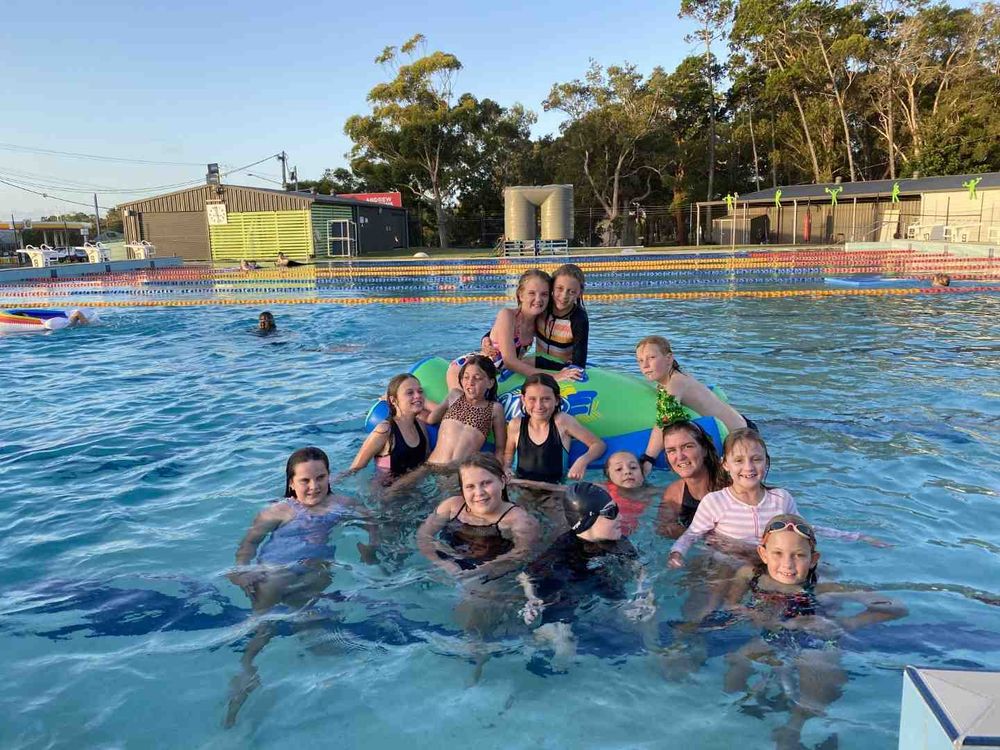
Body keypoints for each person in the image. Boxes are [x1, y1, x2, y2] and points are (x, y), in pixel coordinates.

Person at [721, 515, 906, 748]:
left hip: (816, 640)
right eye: (778, 553)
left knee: (816, 680)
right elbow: (731, 604)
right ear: (763, 554)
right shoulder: (751, 575)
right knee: (736, 665)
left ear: (813, 559)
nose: (787, 564)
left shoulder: (821, 586)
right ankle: (741, 714)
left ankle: (794, 729)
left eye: (798, 555)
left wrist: (847, 623)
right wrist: (754, 615)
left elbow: (896, 607)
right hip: (774, 635)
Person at [225, 447, 377, 726]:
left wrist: (369, 548)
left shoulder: (343, 504)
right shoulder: (278, 511)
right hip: (273, 573)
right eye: (304, 481)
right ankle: (247, 673)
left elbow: (372, 523)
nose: (314, 486)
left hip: (312, 573)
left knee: (312, 626)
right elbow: (248, 545)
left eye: (320, 477)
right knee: (264, 621)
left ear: (329, 476)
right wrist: (243, 571)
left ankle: (324, 688)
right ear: (291, 483)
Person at [517, 482, 655, 668]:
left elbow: (640, 570)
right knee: (564, 644)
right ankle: (547, 637)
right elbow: (526, 575)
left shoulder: (619, 542)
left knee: (645, 616)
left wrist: (642, 596)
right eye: (611, 512)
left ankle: (653, 651)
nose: (620, 516)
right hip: (566, 590)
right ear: (586, 520)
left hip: (599, 587)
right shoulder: (564, 547)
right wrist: (531, 599)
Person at [669, 429, 794, 569]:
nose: (748, 467)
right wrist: (677, 553)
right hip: (727, 566)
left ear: (766, 461)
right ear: (726, 464)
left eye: (757, 459)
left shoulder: (781, 499)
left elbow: (801, 529)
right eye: (739, 460)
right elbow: (692, 534)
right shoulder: (715, 501)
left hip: (771, 566)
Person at [445, 269, 583, 391]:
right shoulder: (507, 315)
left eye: (544, 294)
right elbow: (510, 361)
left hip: (493, 377)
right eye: (531, 293)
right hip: (467, 370)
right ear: (521, 295)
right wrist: (555, 376)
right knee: (460, 407)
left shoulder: (539, 322)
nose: (538, 299)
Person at [635, 335, 751, 476]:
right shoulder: (674, 376)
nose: (645, 365)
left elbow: (664, 421)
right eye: (640, 360)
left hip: (740, 437)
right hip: (740, 424)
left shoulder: (675, 383)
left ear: (669, 358)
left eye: (651, 358)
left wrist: (648, 458)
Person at [417, 453, 540, 584]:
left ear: (503, 481)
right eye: (470, 486)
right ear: (462, 489)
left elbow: (521, 554)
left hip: (489, 574)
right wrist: (443, 564)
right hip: (449, 563)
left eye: (486, 483)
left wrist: (480, 572)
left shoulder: (518, 521)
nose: (479, 493)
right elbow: (423, 535)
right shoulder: (451, 507)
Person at [503, 373, 606, 487]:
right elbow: (508, 453)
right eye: (532, 399)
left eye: (546, 399)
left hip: (555, 489)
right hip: (522, 486)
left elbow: (598, 445)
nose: (539, 406)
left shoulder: (562, 422)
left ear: (557, 400)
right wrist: (506, 467)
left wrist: (582, 461)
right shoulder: (516, 424)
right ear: (523, 400)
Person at [656, 420, 730, 539]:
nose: (680, 457)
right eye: (671, 450)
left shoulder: (733, 487)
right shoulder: (675, 493)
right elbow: (663, 528)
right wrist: (699, 537)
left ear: (704, 449)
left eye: (687, 446)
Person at [426, 355, 507, 465]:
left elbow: (500, 448)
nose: (470, 382)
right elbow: (431, 420)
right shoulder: (454, 396)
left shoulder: (494, 409)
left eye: (477, 378)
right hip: (432, 464)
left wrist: (500, 470)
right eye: (466, 377)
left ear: (490, 383)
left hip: (459, 471)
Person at [350, 374, 430, 481]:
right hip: (386, 493)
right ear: (393, 400)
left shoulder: (421, 426)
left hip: (415, 490)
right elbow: (356, 468)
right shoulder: (385, 430)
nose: (418, 396)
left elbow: (427, 460)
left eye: (420, 391)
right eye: (410, 393)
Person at [535, 263, 590, 372]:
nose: (564, 296)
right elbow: (517, 323)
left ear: (579, 293)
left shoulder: (579, 318)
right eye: (559, 288)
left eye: (572, 292)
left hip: (561, 369)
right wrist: (489, 338)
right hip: (537, 366)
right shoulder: (542, 306)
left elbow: (579, 364)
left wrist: (539, 362)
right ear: (552, 288)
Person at [603, 451, 661, 535]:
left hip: (632, 535)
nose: (627, 472)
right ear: (608, 475)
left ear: (642, 473)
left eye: (633, 467)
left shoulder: (650, 492)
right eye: (619, 469)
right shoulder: (603, 490)